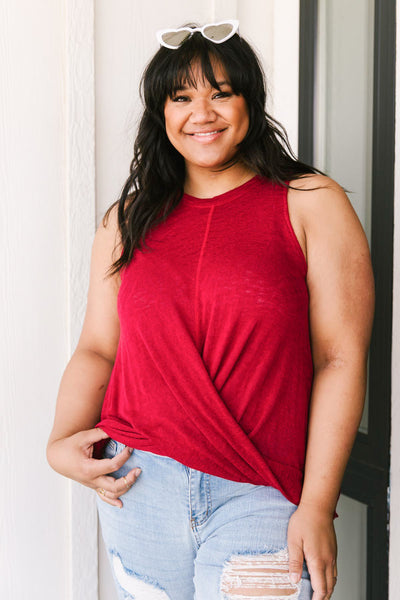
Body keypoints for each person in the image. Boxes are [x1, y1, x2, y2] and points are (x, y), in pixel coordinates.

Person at [47, 20, 374, 600]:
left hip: (260, 493)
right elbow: (99, 348)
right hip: (138, 484)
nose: (203, 112)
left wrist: (318, 505)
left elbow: (341, 359)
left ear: (251, 98)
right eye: (182, 97)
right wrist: (60, 443)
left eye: (221, 92)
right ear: (162, 113)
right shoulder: (126, 221)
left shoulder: (309, 202)